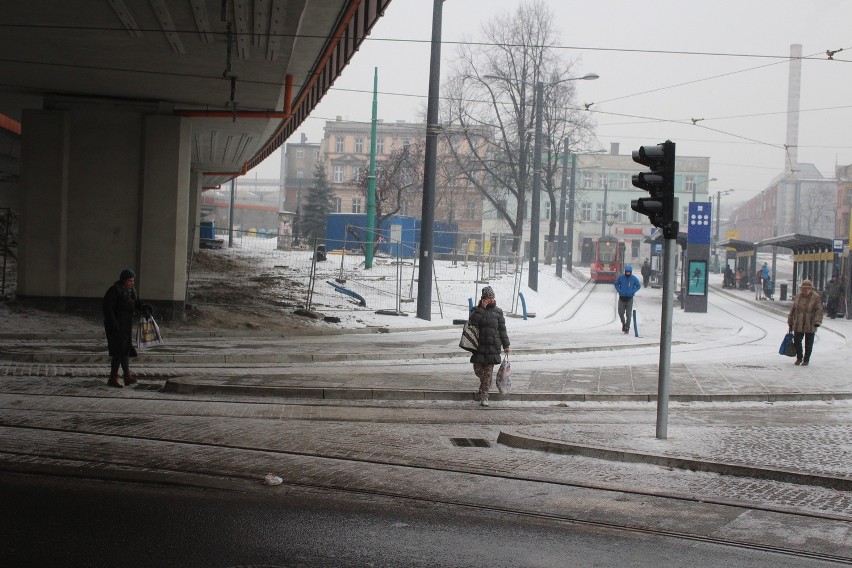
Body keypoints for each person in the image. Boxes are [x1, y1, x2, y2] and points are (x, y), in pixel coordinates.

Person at [103, 269, 150, 387]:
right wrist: (114, 323)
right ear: (123, 280)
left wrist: (144, 307)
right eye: (130, 280)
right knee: (118, 351)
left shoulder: (131, 291)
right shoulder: (114, 291)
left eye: (133, 281)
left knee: (125, 351)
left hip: (126, 325)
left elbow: (136, 302)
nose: (132, 283)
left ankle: (127, 376)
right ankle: (113, 377)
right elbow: (107, 308)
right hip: (116, 326)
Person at [468, 286, 510, 407]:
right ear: (483, 299)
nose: (491, 300)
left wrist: (506, 344)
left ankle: (484, 396)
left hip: (493, 347)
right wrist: (482, 309)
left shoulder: (498, 311)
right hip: (479, 347)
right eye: (488, 298)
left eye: (492, 297)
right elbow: (472, 323)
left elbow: (502, 329)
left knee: (488, 373)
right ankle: (483, 389)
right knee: (478, 371)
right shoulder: (476, 310)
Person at [787, 279, 822, 366]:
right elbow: (793, 309)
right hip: (798, 322)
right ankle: (799, 357)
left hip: (810, 323)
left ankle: (806, 359)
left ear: (810, 290)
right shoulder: (798, 296)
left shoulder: (815, 297)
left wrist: (817, 321)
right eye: (803, 289)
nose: (804, 291)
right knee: (797, 341)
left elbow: (819, 310)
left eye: (807, 289)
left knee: (808, 343)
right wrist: (790, 321)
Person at [614, 265, 641, 334]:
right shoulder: (621, 278)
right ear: (625, 271)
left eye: (629, 272)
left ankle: (627, 327)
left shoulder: (633, 278)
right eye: (627, 272)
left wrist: (633, 291)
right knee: (620, 312)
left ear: (631, 272)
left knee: (628, 314)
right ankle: (623, 323)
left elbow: (638, 286)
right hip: (622, 297)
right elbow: (616, 284)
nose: (628, 273)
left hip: (629, 298)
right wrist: (619, 290)